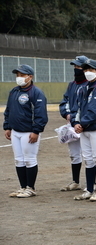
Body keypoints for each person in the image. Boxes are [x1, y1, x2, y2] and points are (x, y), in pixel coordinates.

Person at [5, 64, 48, 198]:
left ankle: (31, 188)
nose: (19, 78)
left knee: (29, 159)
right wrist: (7, 126)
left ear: (30, 77)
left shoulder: (36, 92)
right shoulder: (14, 91)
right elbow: (8, 110)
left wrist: (36, 131)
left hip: (29, 132)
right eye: (18, 75)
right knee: (19, 160)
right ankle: (22, 187)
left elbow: (41, 114)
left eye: (22, 75)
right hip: (15, 132)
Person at [71, 59, 96, 202]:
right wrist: (75, 122)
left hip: (95, 129)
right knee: (88, 159)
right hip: (85, 129)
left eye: (91, 70)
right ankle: (89, 189)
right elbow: (78, 108)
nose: (87, 73)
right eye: (85, 70)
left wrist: (82, 123)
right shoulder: (84, 88)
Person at [59, 55, 89, 191]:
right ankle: (75, 181)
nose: (76, 69)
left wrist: (81, 120)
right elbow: (65, 101)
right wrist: (67, 114)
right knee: (74, 154)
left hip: (86, 125)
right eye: (75, 67)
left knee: (90, 155)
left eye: (79, 67)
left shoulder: (89, 85)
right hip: (73, 126)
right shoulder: (72, 85)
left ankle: (92, 183)